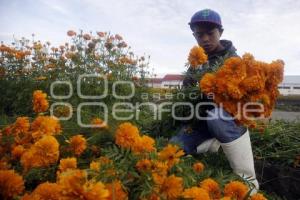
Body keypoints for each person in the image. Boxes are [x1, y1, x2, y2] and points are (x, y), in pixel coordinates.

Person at [170, 8, 259, 193]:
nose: (205, 39)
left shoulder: (234, 61)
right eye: (199, 35)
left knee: (216, 116)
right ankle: (211, 141)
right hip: (200, 121)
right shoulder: (195, 62)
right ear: (194, 35)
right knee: (174, 148)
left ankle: (248, 181)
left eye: (210, 33)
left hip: (228, 118)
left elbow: (246, 100)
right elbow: (186, 93)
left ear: (221, 32)